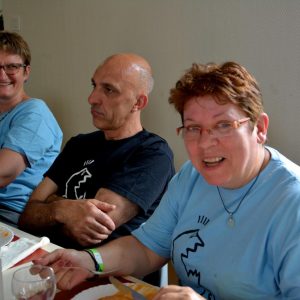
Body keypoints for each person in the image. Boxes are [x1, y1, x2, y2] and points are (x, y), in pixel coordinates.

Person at [34, 61, 300, 299]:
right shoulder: (191, 176)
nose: (206, 143)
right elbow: (145, 249)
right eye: (193, 128)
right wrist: (90, 261)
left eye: (223, 125)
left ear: (260, 129)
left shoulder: (292, 201)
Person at [19, 53, 175, 252]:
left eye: (109, 90)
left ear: (138, 103)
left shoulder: (153, 154)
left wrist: (50, 205)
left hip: (103, 273)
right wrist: (64, 210)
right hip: (46, 257)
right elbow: (28, 215)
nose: (92, 98)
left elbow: (91, 233)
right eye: (94, 85)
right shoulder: (79, 144)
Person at [0, 31, 63, 226]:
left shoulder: (35, 113)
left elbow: (3, 174)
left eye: (12, 67)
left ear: (26, 72)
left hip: (10, 214)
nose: (2, 75)